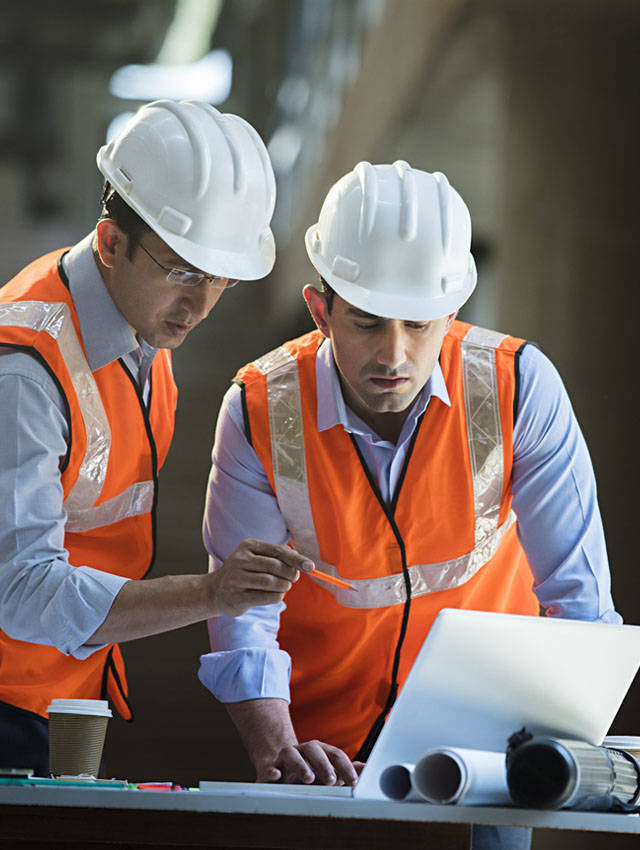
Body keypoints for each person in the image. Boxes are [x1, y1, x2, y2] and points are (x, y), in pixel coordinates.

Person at [199, 161, 620, 849]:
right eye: (366, 323)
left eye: (420, 325)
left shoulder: (520, 389)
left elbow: (580, 602)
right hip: (320, 743)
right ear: (319, 309)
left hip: (490, 741)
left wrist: (568, 759)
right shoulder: (258, 410)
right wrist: (275, 741)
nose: (393, 354)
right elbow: (242, 608)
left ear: (451, 313)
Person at [0, 100, 311, 775]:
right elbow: (20, 591)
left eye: (220, 277)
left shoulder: (142, 335)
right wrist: (209, 593)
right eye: (183, 271)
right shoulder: (25, 372)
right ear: (111, 244)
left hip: (62, 694)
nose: (201, 304)